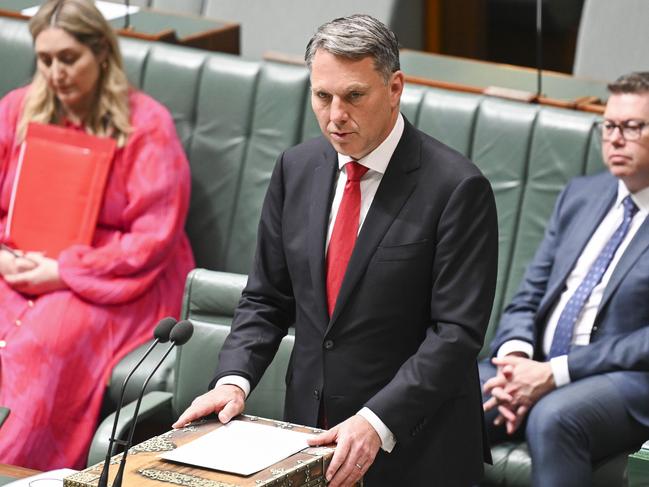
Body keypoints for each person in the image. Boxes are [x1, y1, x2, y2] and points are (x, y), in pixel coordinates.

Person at [174, 14, 498, 487]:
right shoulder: (296, 169)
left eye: (353, 96)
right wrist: (233, 380)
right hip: (309, 436)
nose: (335, 115)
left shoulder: (456, 187)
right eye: (322, 96)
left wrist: (376, 421)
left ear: (395, 88)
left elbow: (455, 335)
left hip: (416, 446)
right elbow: (266, 298)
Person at [0, 0, 194, 470]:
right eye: (46, 60)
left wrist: (65, 270)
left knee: (46, 341)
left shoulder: (146, 125)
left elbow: (153, 239)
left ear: (102, 53)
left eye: (69, 59)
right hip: (22, 260)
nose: (56, 73)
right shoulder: (18, 109)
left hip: (120, 276)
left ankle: (19, 471)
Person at [481, 71, 649, 487]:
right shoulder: (582, 195)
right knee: (451, 391)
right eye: (609, 126)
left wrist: (558, 373)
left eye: (632, 127)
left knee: (556, 416)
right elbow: (529, 295)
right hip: (537, 364)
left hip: (629, 379)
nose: (615, 138)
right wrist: (517, 360)